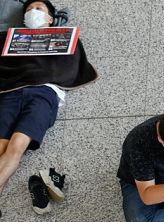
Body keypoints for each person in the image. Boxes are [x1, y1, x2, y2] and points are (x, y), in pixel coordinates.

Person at [0, 0, 97, 205]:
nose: (32, 12)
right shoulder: (10, 39)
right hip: (11, 92)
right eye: (28, 10)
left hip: (43, 94)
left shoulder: (64, 38)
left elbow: (69, 65)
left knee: (17, 146)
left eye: (38, 9)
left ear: (50, 18)